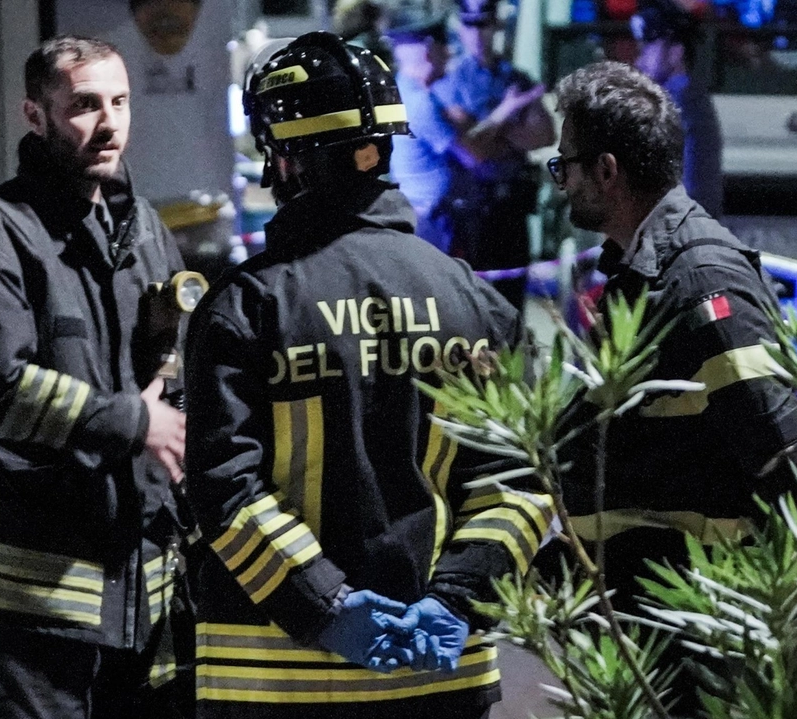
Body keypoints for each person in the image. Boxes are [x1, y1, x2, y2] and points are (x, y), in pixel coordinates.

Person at [185, 31, 554, 719]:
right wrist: (454, 599)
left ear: (284, 159)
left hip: (274, 684)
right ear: (384, 146)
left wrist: (326, 604)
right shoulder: (474, 301)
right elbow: (523, 486)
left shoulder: (246, 305)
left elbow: (222, 488)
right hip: (439, 680)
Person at [0, 35, 190, 719]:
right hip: (38, 610)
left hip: (146, 598)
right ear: (34, 114)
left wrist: (171, 387)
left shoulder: (143, 229)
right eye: (82, 105)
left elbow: (174, 354)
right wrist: (137, 423)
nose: (108, 124)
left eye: (119, 102)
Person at [548, 61, 797, 707]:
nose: (561, 183)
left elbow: (780, 443)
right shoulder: (646, 269)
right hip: (652, 613)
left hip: (697, 626)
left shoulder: (695, 279)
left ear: (607, 170)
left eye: (565, 166)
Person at [434, 0, 556, 308]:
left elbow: (544, 135)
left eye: (484, 23)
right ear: (461, 29)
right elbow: (471, 152)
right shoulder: (449, 81)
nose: (478, 33)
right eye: (470, 24)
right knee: (474, 305)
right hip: (472, 209)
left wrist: (488, 132)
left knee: (512, 304)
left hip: (512, 207)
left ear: (496, 26)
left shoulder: (515, 78)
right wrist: (508, 115)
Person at [633, 0, 723, 217]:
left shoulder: (680, 105)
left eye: (648, 49)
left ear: (676, 52)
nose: (640, 61)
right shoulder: (681, 100)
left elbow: (689, 191)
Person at [388, 14, 455, 252]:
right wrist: (506, 113)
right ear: (428, 50)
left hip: (416, 213)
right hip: (428, 220)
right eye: (443, 46)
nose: (449, 53)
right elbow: (473, 155)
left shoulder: (400, 93)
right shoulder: (420, 102)